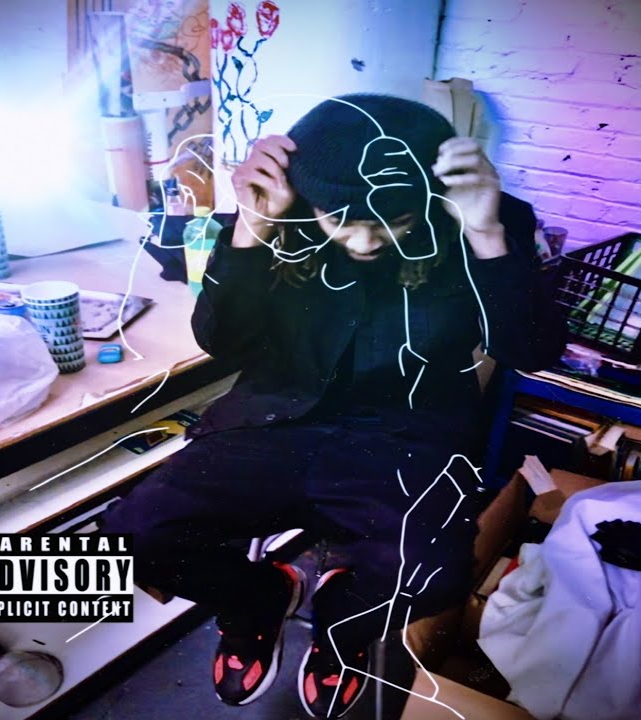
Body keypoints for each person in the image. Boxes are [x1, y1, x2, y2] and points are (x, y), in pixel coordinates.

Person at [101, 94, 566, 718]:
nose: (365, 240)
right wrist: (250, 229)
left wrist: (485, 235)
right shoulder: (282, 208)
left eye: (394, 221)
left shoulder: (484, 216)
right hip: (274, 420)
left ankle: (342, 626)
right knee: (131, 537)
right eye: (340, 219)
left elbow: (530, 351)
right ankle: (257, 599)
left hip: (406, 436)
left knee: (435, 576)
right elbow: (222, 341)